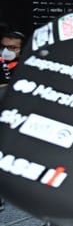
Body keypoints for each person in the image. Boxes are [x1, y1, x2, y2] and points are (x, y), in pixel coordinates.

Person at [0, 31, 26, 212]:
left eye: (12, 48)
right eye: (3, 47)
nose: (6, 51)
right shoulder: (2, 65)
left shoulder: (28, 66)